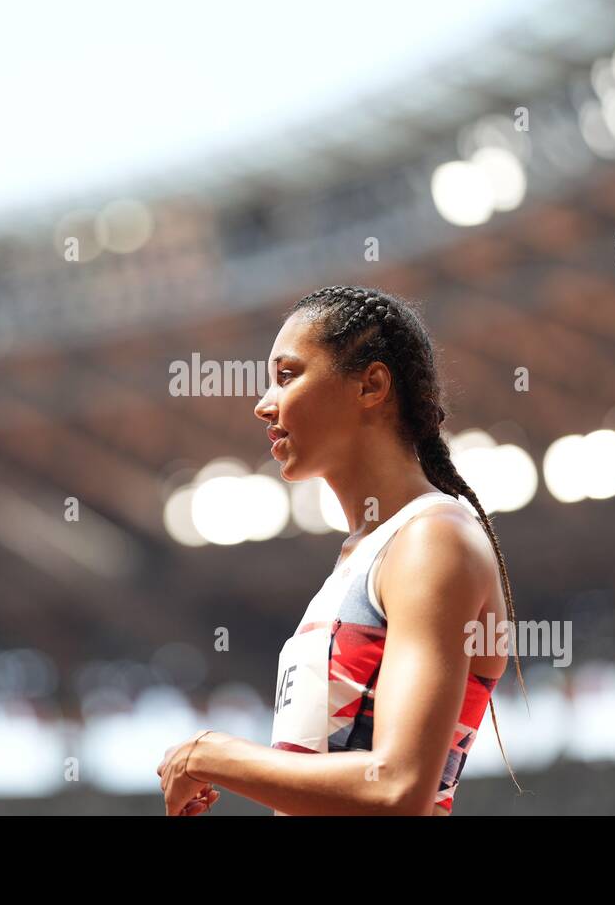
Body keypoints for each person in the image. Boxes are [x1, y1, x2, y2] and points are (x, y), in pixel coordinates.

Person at [159, 285, 527, 815]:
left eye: (288, 376)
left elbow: (398, 788)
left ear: (371, 385)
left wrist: (211, 754)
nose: (263, 405)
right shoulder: (361, 558)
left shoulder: (432, 539)